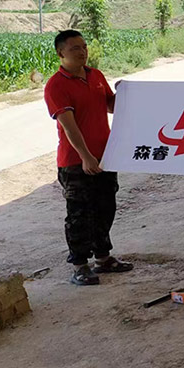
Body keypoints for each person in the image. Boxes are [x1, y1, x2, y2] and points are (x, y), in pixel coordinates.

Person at [44, 30, 133, 286]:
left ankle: (104, 258)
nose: (82, 51)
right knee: (79, 214)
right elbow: (70, 127)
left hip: (106, 156)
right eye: (74, 48)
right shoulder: (56, 86)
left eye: (83, 47)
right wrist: (85, 157)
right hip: (76, 161)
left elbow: (111, 106)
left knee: (105, 207)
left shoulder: (95, 76)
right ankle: (80, 266)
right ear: (61, 53)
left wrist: (125, 93)